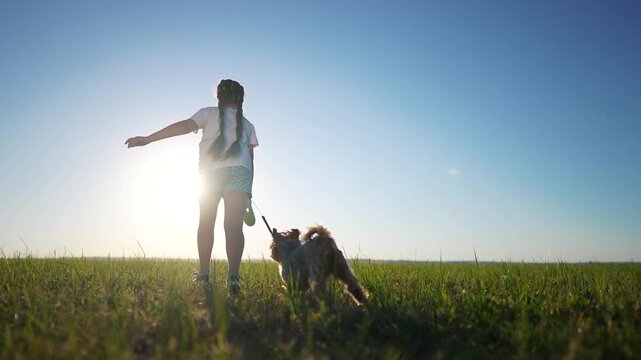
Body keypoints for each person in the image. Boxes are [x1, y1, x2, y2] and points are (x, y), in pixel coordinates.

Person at [125, 79, 258, 294]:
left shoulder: (208, 113)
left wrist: (149, 139)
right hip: (240, 173)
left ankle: (204, 275)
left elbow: (184, 127)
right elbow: (251, 161)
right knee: (234, 228)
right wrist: (249, 190)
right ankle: (233, 278)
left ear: (219, 97)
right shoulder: (249, 125)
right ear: (240, 99)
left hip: (210, 173)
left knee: (206, 223)